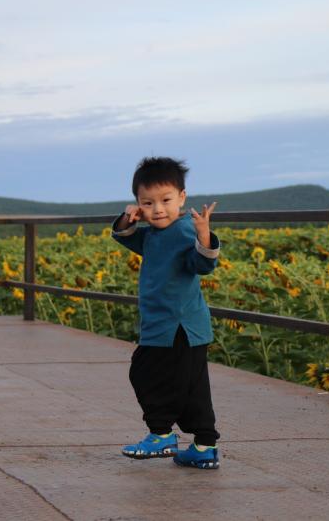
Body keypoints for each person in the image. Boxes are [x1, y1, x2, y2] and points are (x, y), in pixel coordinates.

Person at [112, 156, 221, 469]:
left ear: (182, 199)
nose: (157, 209)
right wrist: (126, 219)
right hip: (184, 326)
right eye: (148, 202)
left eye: (166, 200)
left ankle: (160, 434)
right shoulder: (155, 234)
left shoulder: (184, 230)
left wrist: (203, 236)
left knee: (144, 372)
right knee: (193, 387)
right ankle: (204, 445)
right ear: (138, 205)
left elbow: (202, 265)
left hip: (176, 326)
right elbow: (127, 237)